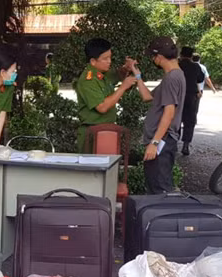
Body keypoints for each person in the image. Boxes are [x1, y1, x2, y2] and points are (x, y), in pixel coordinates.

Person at [125, 37, 186, 194]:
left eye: (152, 57)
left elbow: (169, 112)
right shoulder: (173, 76)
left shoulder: (172, 78)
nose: (152, 60)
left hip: (162, 141)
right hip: (162, 140)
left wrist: (154, 142)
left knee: (160, 189)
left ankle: (162, 218)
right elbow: (147, 97)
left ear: (158, 57)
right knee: (155, 184)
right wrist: (136, 74)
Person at [73, 38, 138, 153]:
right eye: (105, 59)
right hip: (92, 132)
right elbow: (102, 107)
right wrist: (123, 87)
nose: (109, 61)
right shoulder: (88, 80)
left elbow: (117, 74)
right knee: (92, 169)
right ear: (93, 61)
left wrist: (126, 68)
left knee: (109, 167)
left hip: (107, 130)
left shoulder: (102, 73)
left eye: (110, 57)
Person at [178, 46, 205, 156]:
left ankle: (173, 142)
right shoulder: (195, 66)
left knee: (176, 118)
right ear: (191, 55)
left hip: (177, 95)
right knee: (190, 120)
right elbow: (200, 79)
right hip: (191, 96)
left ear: (181, 54)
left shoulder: (177, 65)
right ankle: (185, 145)